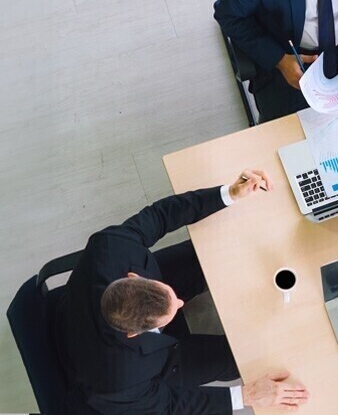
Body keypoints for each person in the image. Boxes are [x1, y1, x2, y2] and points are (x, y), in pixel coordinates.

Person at [54, 169, 311, 414]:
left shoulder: (112, 247)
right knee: (245, 357)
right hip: (119, 363)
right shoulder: (119, 381)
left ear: (133, 277)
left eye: (169, 294)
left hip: (92, 312)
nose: (180, 302)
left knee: (215, 252)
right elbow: (169, 406)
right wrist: (246, 396)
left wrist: (229, 193)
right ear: (134, 333)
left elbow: (159, 215)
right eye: (171, 310)